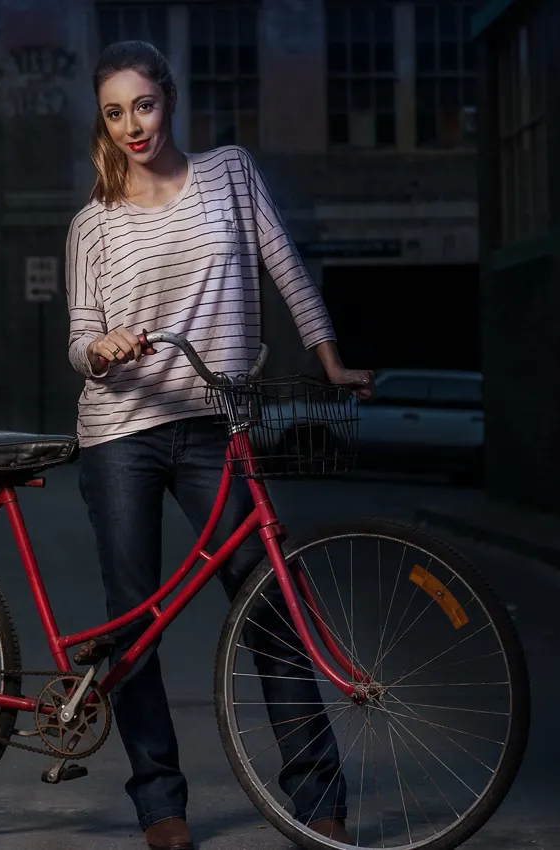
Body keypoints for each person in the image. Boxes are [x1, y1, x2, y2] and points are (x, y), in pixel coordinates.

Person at [64, 40, 374, 850]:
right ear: (103, 121)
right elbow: (78, 341)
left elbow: (285, 266)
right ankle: (160, 806)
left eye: (144, 104)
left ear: (169, 97)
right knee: (136, 626)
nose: (133, 125)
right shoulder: (92, 224)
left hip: (215, 428)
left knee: (268, 605)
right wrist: (101, 348)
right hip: (121, 432)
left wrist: (331, 360)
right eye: (114, 113)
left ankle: (319, 799)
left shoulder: (231, 173)